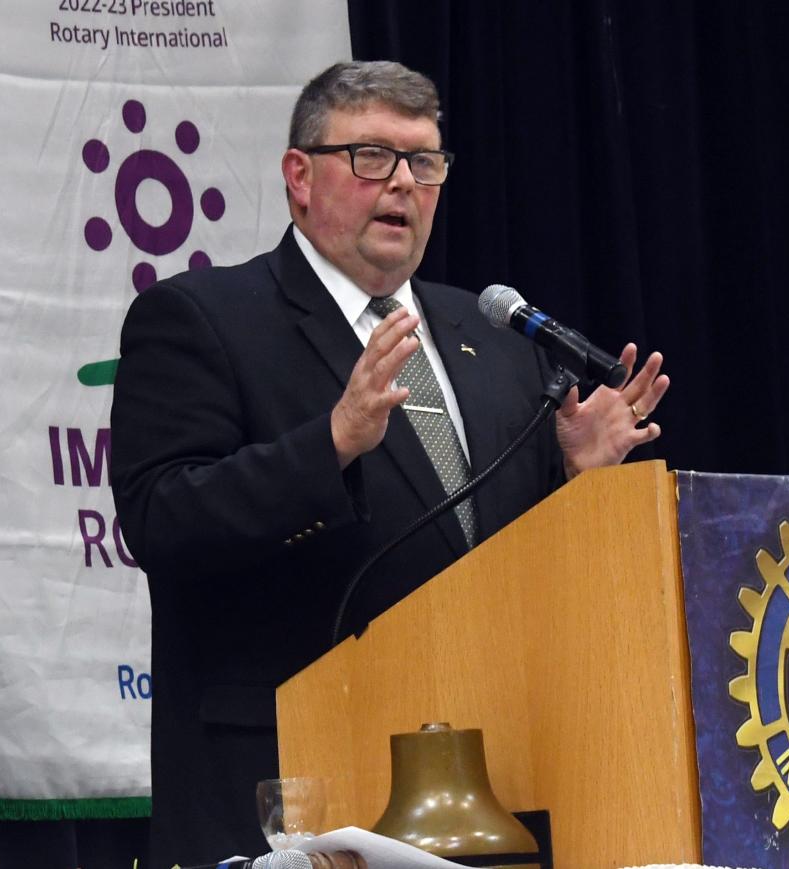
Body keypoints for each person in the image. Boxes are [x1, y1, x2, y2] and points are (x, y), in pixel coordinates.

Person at [109, 60, 669, 866]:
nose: (403, 183)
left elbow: (490, 564)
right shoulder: (202, 319)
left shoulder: (492, 341)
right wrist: (329, 443)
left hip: (490, 790)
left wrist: (570, 482)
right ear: (300, 176)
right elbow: (161, 517)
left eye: (425, 162)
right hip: (289, 787)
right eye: (373, 156)